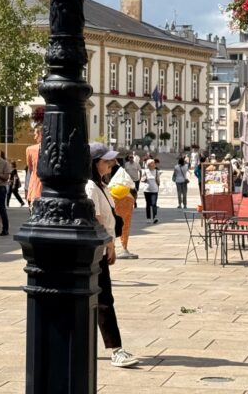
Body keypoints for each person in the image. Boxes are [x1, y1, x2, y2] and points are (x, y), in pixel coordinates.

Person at [86, 142, 139, 368]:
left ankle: (93, 345)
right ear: (94, 163)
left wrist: (112, 244)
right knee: (104, 299)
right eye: (106, 161)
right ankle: (116, 350)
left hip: (102, 246)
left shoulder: (101, 186)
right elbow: (96, 219)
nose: (112, 164)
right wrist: (108, 244)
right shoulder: (90, 187)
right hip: (95, 250)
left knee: (101, 299)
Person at [108, 158, 137, 259]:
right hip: (127, 197)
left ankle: (112, 247)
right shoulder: (121, 172)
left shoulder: (108, 171)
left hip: (113, 197)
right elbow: (132, 186)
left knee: (112, 224)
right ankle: (124, 248)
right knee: (125, 224)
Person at [25, 126, 43, 203]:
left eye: (35, 134)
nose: (34, 138)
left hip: (36, 189)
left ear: (41, 134)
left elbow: (31, 169)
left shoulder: (30, 149)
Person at [142, 158, 160, 224]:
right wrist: (144, 179)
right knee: (148, 204)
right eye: (152, 163)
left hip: (154, 190)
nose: (154, 164)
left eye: (154, 163)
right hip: (147, 190)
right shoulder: (145, 171)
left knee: (154, 204)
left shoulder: (156, 171)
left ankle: (155, 217)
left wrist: (158, 187)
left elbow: (158, 180)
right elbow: (142, 179)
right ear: (149, 165)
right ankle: (148, 218)